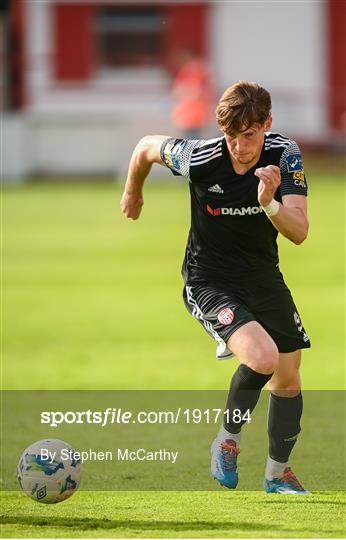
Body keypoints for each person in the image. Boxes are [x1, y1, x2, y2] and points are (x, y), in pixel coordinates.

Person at [120, 80, 311, 494]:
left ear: (266, 125)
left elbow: (299, 232)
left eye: (249, 136)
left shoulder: (284, 154)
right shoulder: (200, 157)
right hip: (209, 279)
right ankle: (227, 440)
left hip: (262, 276)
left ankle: (278, 475)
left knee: (288, 378)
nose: (239, 147)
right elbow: (145, 148)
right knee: (262, 357)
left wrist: (269, 202)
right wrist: (133, 191)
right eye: (231, 137)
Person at [171, 48, 214, 139]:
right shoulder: (190, 70)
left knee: (191, 144)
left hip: (194, 116)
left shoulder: (195, 70)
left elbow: (196, 92)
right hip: (189, 116)